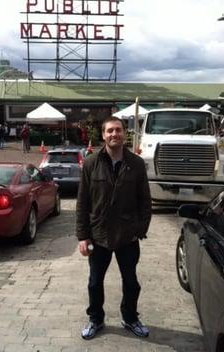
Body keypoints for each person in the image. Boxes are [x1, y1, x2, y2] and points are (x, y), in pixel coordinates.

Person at [76, 116, 152, 340]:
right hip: (98, 236)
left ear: (124, 134)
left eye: (118, 130)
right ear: (103, 135)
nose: (114, 134)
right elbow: (82, 203)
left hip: (128, 236)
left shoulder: (136, 164)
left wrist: (140, 229)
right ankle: (96, 319)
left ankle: (130, 318)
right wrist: (83, 236)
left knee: (131, 282)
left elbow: (145, 201)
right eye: (109, 131)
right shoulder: (91, 163)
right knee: (94, 282)